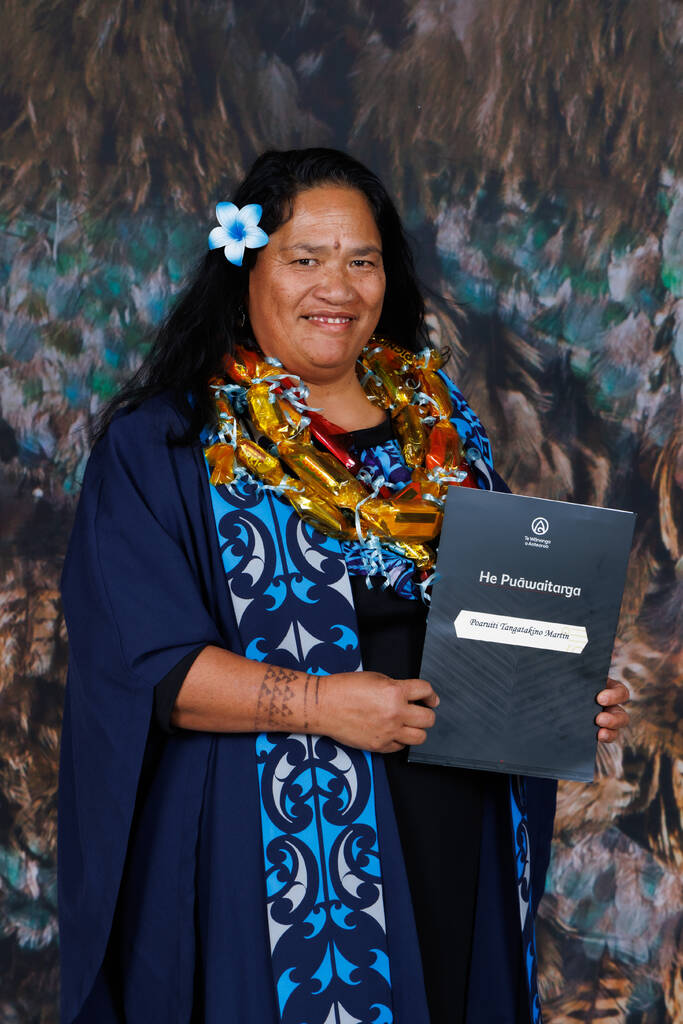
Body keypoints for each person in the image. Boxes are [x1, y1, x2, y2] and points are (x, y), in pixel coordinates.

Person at [58, 148, 630, 1024]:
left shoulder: (445, 435)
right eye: (304, 258)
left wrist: (562, 689)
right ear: (246, 267)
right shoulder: (167, 445)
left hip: (453, 829)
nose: (338, 286)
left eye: (360, 260)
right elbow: (154, 672)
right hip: (270, 849)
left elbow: (504, 621)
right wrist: (322, 705)